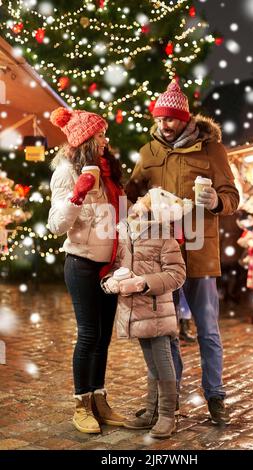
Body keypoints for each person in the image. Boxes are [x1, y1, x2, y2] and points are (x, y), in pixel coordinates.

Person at [126, 80, 240, 425]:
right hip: (161, 256)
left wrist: (218, 201)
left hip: (200, 252)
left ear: (184, 118)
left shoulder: (212, 150)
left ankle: (215, 396)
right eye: (160, 119)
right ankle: (168, 400)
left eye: (171, 119)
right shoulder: (148, 153)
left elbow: (232, 197)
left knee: (206, 328)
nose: (165, 124)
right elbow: (132, 193)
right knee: (165, 329)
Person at [48, 107, 125, 433]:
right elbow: (55, 225)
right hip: (81, 263)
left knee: (104, 337)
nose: (105, 140)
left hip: (110, 265)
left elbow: (120, 213)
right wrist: (77, 194)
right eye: (100, 135)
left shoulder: (108, 172)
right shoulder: (66, 172)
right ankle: (81, 404)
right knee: (89, 334)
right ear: (86, 140)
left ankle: (99, 400)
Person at [101, 194, 186, 438]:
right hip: (135, 310)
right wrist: (111, 282)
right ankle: (151, 412)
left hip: (156, 310)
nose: (137, 206)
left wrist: (143, 283)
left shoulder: (163, 236)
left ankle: (167, 414)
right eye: (137, 205)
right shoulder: (125, 233)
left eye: (144, 206)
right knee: (151, 363)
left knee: (162, 360)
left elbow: (177, 274)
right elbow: (119, 267)